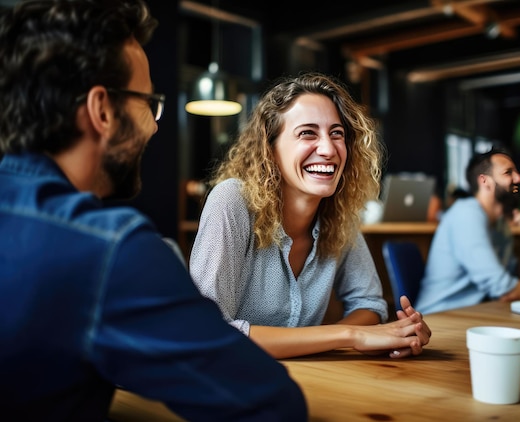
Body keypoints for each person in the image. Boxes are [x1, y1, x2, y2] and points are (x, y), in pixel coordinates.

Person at [0, 1, 306, 420]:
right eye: (149, 103)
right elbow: (271, 404)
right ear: (102, 110)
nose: (155, 125)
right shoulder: (109, 251)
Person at [189, 72, 432, 360]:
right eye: (308, 133)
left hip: (306, 382)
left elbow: (369, 304)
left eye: (336, 133)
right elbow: (205, 333)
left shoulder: (341, 214)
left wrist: (387, 334)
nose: (328, 149)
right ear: (270, 148)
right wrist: (350, 335)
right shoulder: (232, 201)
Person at [415, 147, 520, 314]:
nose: (519, 178)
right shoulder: (466, 215)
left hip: (474, 314)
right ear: (484, 181)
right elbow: (506, 290)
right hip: (439, 319)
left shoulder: (500, 224)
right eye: (508, 172)